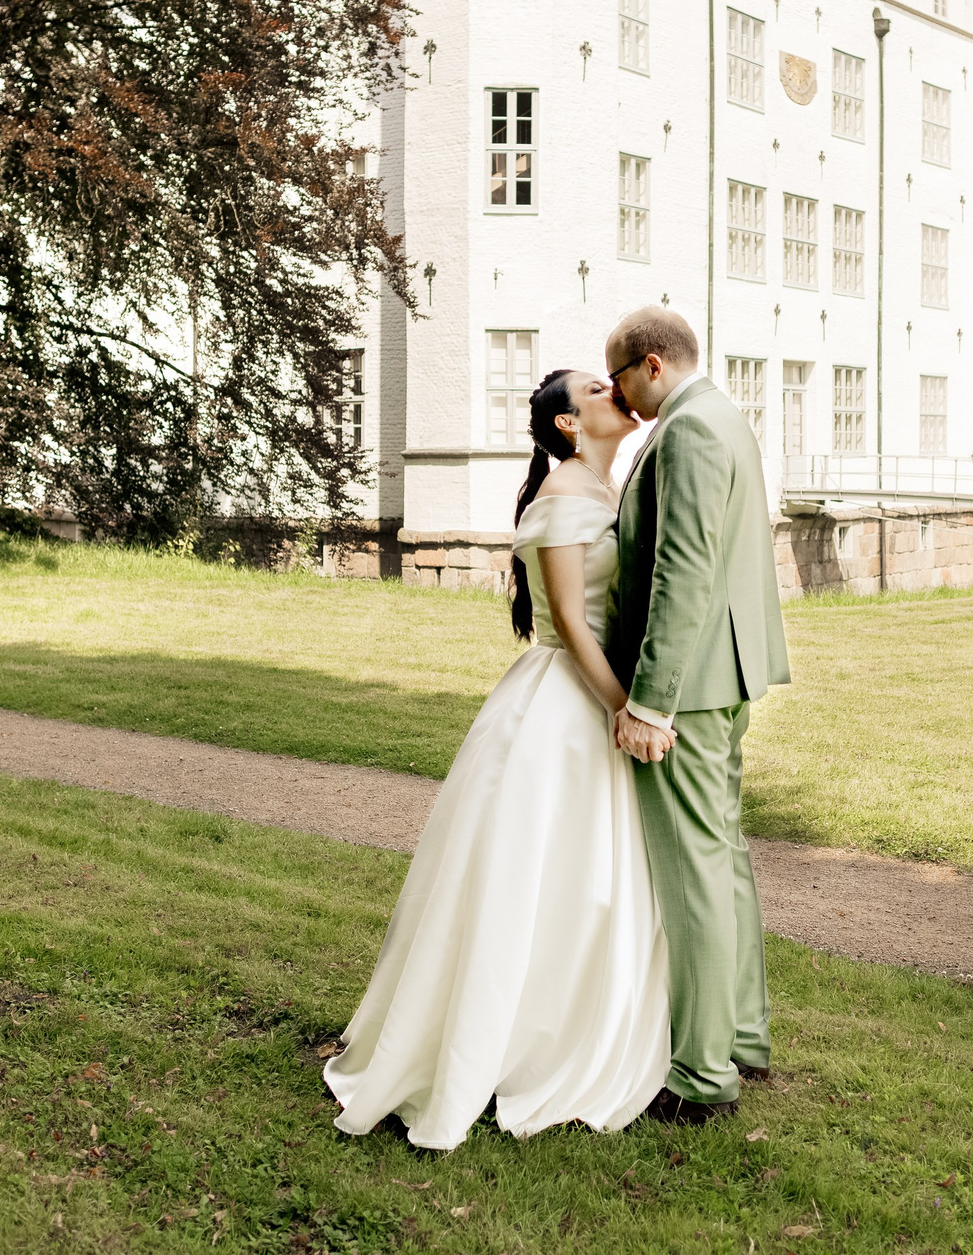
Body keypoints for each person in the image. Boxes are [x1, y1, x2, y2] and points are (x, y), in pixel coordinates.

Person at [326, 369, 669, 1148]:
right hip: (567, 700)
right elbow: (572, 624)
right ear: (568, 424)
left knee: (585, 875)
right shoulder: (563, 495)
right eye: (595, 388)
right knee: (532, 873)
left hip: (585, 692)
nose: (613, 389)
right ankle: (512, 1042)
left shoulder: (603, 488)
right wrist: (624, 706)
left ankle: (573, 1023)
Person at [602, 306, 792, 1124]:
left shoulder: (686, 429)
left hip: (691, 687)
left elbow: (684, 567)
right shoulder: (722, 415)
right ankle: (741, 1033)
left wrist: (651, 699)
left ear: (651, 364)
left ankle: (701, 1075)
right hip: (727, 672)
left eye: (618, 379)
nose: (619, 397)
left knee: (696, 870)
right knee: (724, 854)